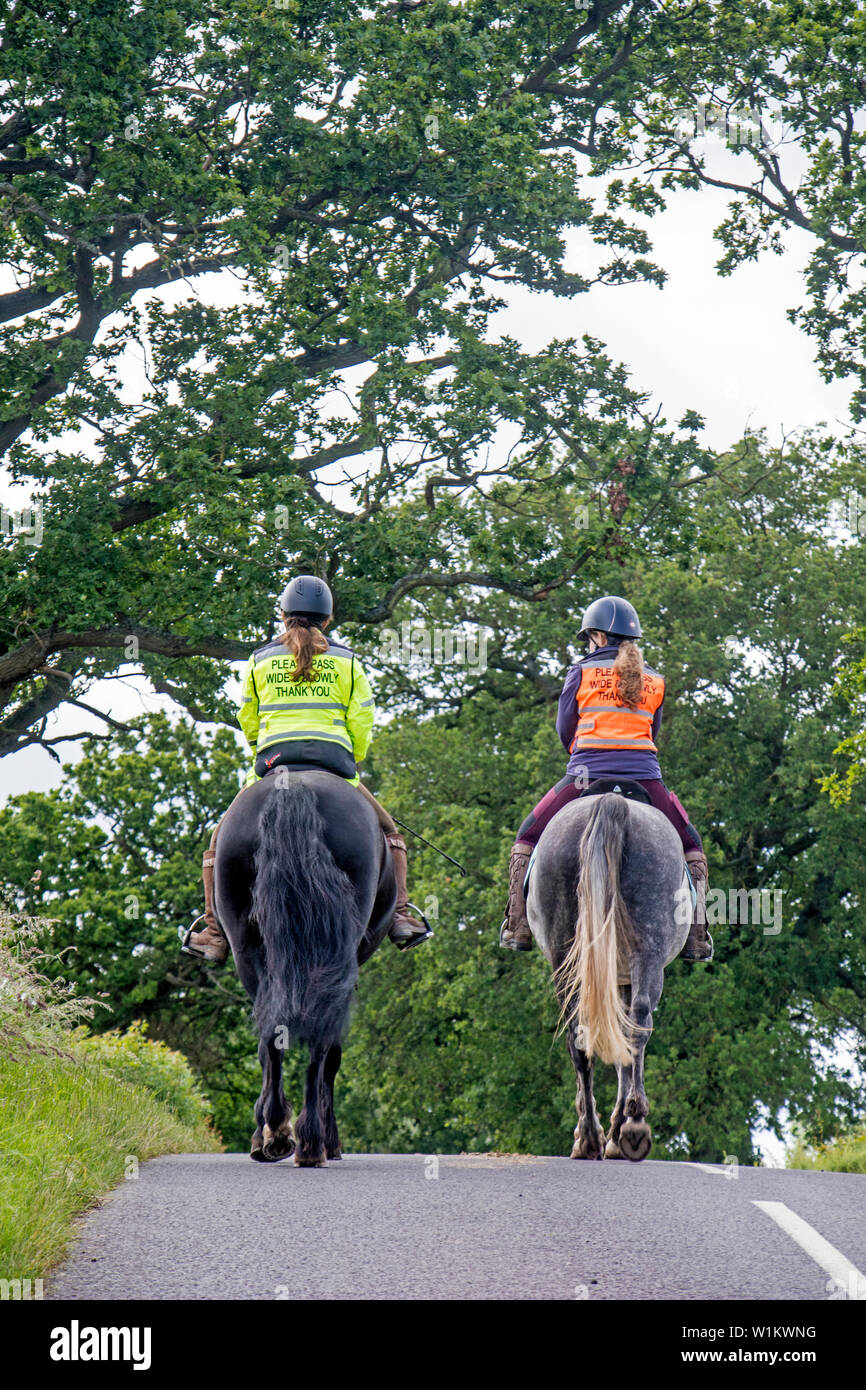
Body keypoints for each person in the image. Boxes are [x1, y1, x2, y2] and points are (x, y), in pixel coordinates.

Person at [182, 574, 432, 964]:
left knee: (217, 843)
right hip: (334, 767)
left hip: (272, 765)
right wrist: (353, 760)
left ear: (283, 616)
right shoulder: (347, 661)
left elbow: (248, 716)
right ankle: (400, 916)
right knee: (390, 833)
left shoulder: (259, 660)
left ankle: (214, 933)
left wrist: (261, 749)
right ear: (327, 620)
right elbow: (362, 718)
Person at [499, 595, 713, 962]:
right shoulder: (655, 681)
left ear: (598, 636)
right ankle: (696, 935)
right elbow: (653, 733)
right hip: (644, 777)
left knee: (527, 835)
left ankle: (516, 925)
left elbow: (565, 729)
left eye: (588, 638)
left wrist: (583, 754)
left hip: (584, 775)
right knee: (692, 844)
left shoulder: (579, 672)